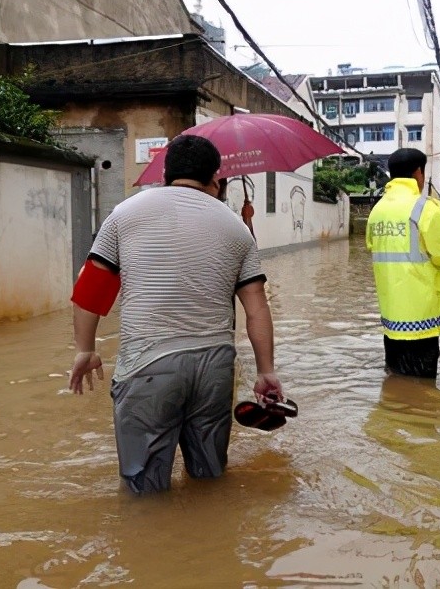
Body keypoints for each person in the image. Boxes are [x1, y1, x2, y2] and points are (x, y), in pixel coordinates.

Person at [68, 134, 284, 495]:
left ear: (165, 174)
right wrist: (265, 372)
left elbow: (92, 286)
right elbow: (257, 307)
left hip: (148, 364)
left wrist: (86, 349)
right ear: (215, 178)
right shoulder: (237, 228)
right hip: (215, 366)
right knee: (210, 479)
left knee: (145, 491)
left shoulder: (125, 213)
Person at [365, 148, 440, 378]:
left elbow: (372, 245)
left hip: (391, 319)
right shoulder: (424, 208)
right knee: (422, 387)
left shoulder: (377, 210)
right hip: (420, 320)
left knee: (397, 378)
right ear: (418, 173)